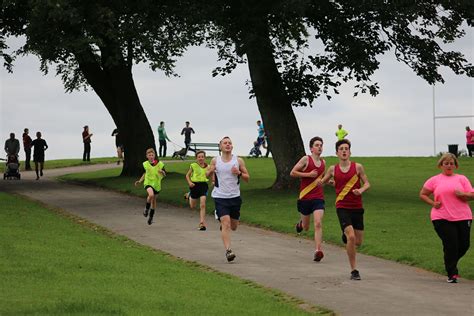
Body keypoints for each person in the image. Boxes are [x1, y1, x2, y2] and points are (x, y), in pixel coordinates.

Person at [319, 139, 370, 280]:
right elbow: (321, 182)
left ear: (350, 151)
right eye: (341, 148)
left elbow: (367, 183)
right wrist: (321, 182)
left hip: (357, 207)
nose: (344, 151)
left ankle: (345, 236)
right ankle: (354, 270)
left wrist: (361, 190)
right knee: (351, 237)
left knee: (357, 241)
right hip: (342, 207)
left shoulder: (358, 167)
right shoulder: (332, 169)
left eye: (346, 148)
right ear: (337, 153)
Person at [419, 153, 473, 283]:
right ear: (441, 165)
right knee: (451, 244)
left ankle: (450, 261)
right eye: (446, 163)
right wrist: (433, 203)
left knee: (464, 245)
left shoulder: (462, 179)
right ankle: (452, 273)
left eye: (451, 163)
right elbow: (423, 194)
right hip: (441, 216)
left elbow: (471, 194)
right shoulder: (434, 180)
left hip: (463, 216)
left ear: (455, 165)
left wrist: (463, 194)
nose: (449, 166)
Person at [206, 136, 250, 262]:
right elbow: (206, 174)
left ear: (232, 146)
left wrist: (239, 173)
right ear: (220, 147)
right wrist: (211, 171)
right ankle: (228, 251)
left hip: (235, 197)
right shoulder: (215, 160)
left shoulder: (238, 161)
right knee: (225, 223)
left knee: (233, 226)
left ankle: (223, 222)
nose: (227, 145)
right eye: (225, 143)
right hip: (220, 197)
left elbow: (247, 178)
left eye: (229, 143)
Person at [290, 136, 326, 262]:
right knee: (306, 227)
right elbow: (293, 172)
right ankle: (301, 223)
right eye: (317, 145)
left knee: (318, 223)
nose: (319, 147)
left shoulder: (323, 162)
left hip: (318, 198)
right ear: (311, 148)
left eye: (321, 145)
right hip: (305, 197)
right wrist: (308, 175)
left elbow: (321, 179)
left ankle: (318, 250)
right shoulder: (306, 159)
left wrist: (328, 181)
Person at [134, 148, 166, 225]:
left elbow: (164, 174)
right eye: (149, 155)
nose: (151, 156)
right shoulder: (145, 164)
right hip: (148, 182)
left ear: (154, 155)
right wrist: (140, 181)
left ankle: (151, 217)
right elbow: (145, 174)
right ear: (147, 156)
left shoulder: (159, 164)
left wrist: (162, 172)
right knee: (151, 195)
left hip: (157, 184)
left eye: (152, 155)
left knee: (154, 201)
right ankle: (146, 209)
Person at [185, 150, 210, 231]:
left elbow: (211, 175)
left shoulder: (208, 167)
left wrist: (213, 180)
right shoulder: (193, 165)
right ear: (196, 158)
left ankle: (202, 223)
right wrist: (189, 182)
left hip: (203, 186)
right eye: (199, 157)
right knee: (192, 206)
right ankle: (189, 195)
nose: (201, 158)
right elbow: (187, 175)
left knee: (202, 204)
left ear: (205, 158)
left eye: (202, 157)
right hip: (194, 185)